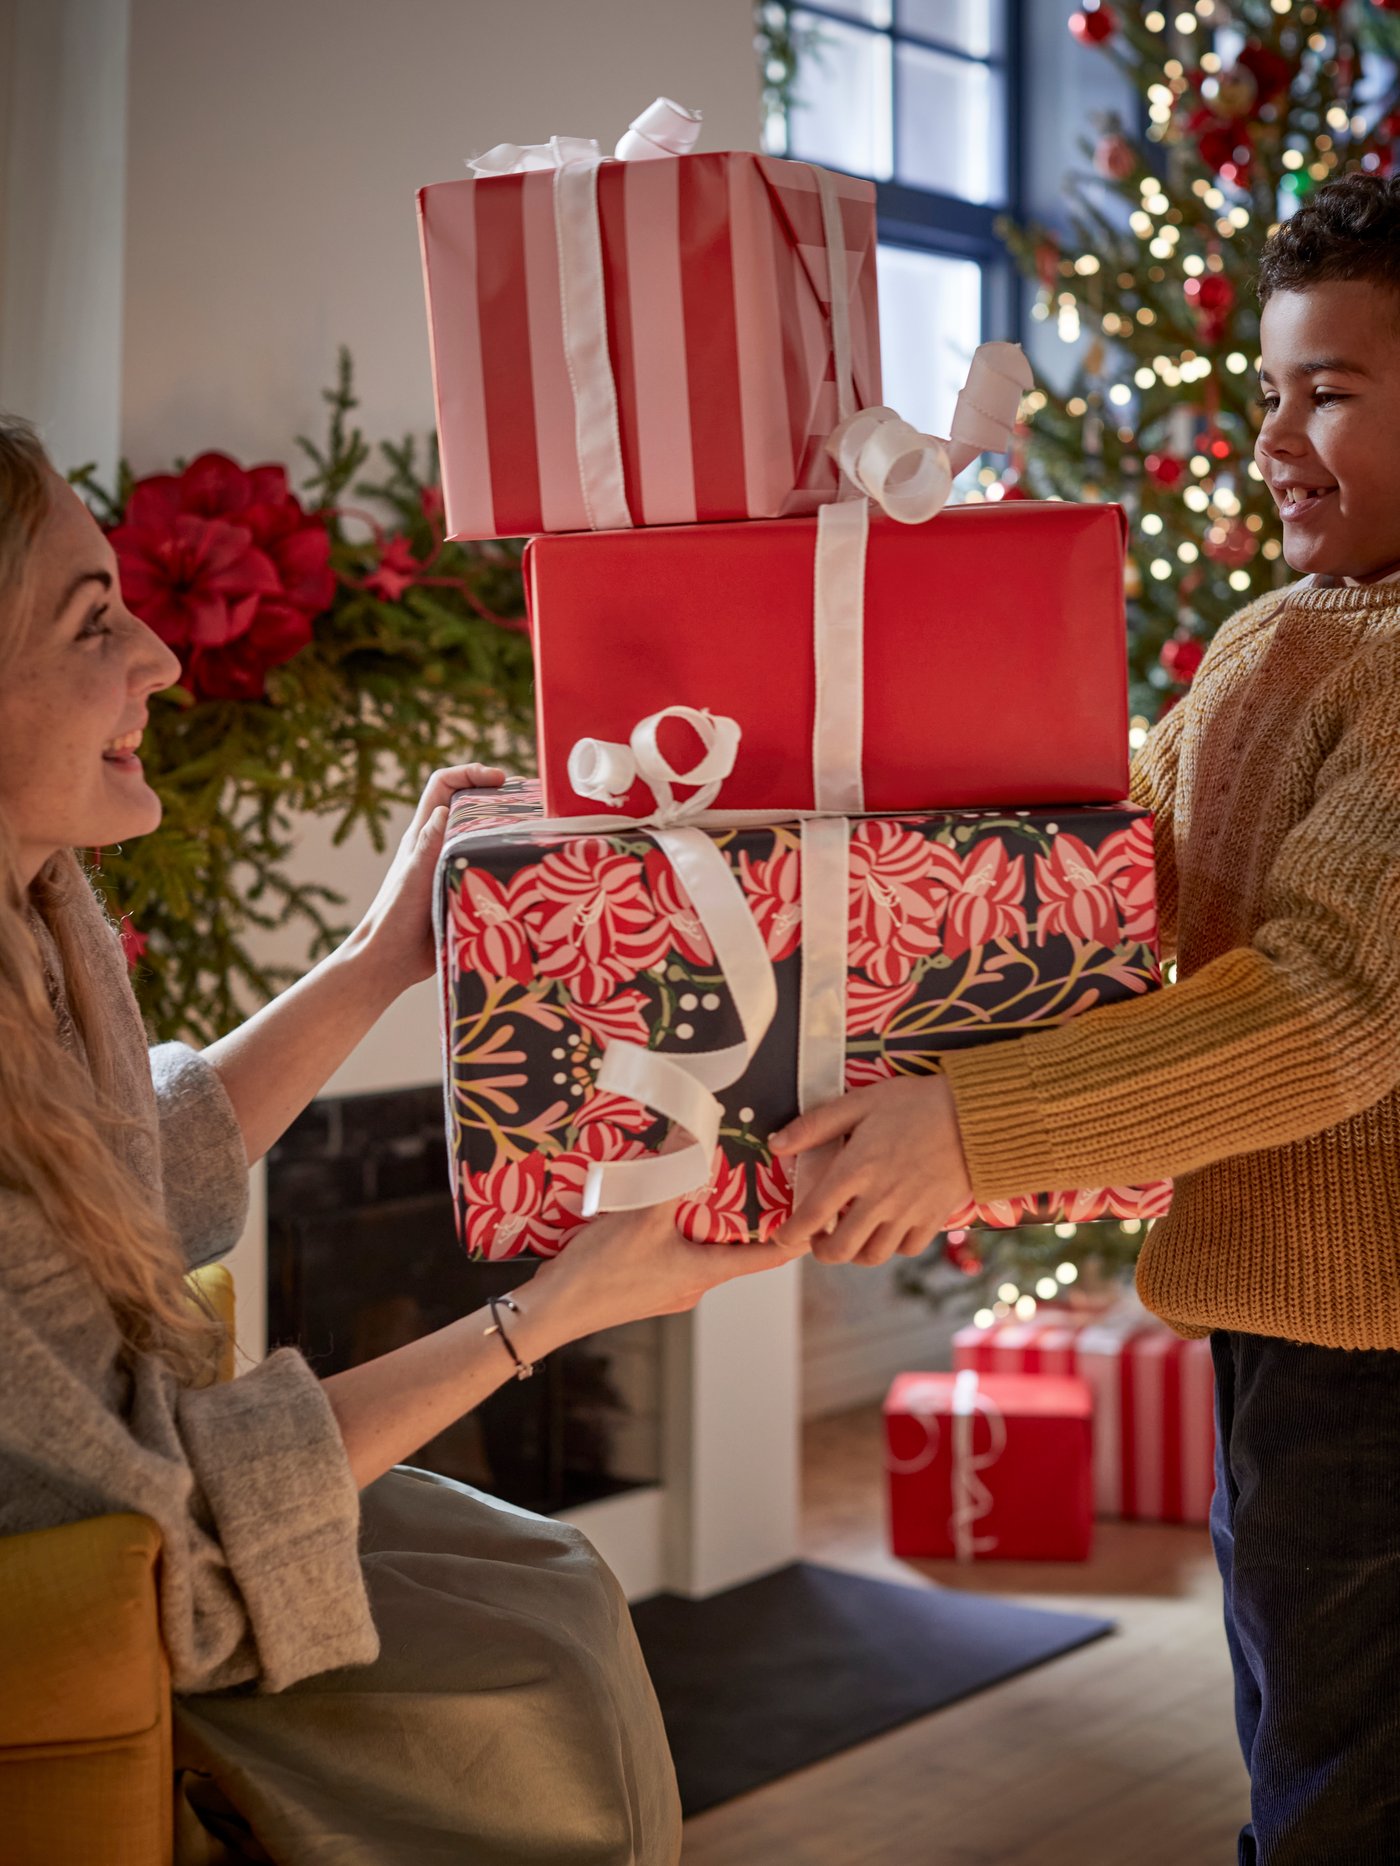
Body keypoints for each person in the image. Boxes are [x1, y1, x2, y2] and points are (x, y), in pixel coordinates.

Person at [0, 414, 805, 1866]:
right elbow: (164, 1545)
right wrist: (550, 1311)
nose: (161, 661)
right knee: (536, 1692)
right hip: (98, 1621)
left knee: (555, 1580)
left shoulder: (39, 913)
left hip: (163, 1542)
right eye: (90, 621)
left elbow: (153, 1169)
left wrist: (381, 951)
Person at [772, 171, 1400, 1863]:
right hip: (1285, 1340)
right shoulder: (1279, 638)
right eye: (1267, 390)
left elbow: (1331, 1007)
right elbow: (1106, 874)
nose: (1276, 438)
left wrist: (969, 1132)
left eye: (1330, 392)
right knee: (1301, 1739)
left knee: (1345, 1787)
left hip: (1382, 1369)